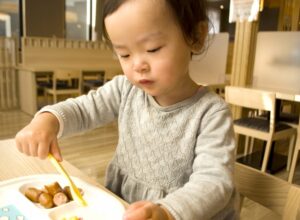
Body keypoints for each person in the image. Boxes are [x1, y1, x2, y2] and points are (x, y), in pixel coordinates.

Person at [15, 0, 238, 219]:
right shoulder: (125, 90)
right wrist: (49, 119)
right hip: (123, 206)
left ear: (196, 37)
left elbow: (213, 182)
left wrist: (167, 212)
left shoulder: (211, 114)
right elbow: (84, 109)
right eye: (124, 54)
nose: (137, 65)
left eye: (153, 48)